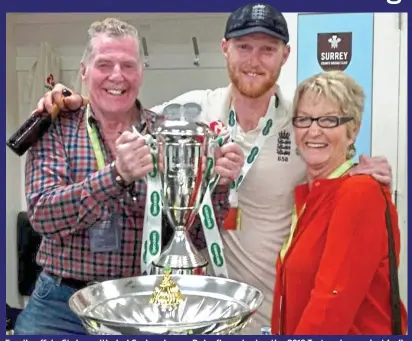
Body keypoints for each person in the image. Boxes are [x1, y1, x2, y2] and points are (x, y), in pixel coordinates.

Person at [31, 4, 393, 334]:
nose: (254, 60)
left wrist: (360, 169)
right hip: (198, 309)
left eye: (267, 49)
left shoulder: (297, 124)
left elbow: (329, 154)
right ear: (225, 49)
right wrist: (71, 100)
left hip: (273, 312)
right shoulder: (187, 113)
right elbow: (117, 103)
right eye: (243, 47)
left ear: (285, 54)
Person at [14, 18, 244, 335]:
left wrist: (218, 187)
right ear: (84, 71)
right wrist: (117, 176)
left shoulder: (169, 134)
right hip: (61, 307)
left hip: (147, 304)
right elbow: (42, 216)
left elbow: (192, 239)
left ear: (140, 73)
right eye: (104, 64)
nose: (117, 75)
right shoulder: (55, 128)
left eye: (128, 65)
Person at [271, 71, 407, 335]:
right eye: (304, 119)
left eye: (329, 120)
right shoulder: (311, 197)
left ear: (353, 129)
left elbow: (329, 306)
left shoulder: (359, 192)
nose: (314, 130)